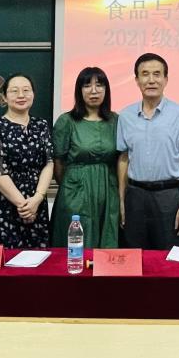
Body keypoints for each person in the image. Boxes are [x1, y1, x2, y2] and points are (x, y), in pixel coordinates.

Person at [116, 53, 179, 250]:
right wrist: (122, 200)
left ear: (166, 79)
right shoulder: (125, 116)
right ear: (137, 80)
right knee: (135, 254)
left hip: (170, 196)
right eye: (145, 74)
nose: (151, 80)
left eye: (157, 74)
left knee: (171, 256)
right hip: (135, 196)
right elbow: (123, 159)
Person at [0, 74, 53, 249]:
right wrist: (23, 206)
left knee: (38, 259)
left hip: (36, 203)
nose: (21, 95)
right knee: (6, 259)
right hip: (5, 204)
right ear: (4, 97)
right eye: (14, 91)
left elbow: (49, 163)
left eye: (26, 90)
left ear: (33, 95)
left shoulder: (41, 125)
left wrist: (37, 199)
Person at [51, 67, 119, 249]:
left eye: (99, 85)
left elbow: (121, 159)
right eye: (87, 85)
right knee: (77, 244)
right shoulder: (67, 121)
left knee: (108, 244)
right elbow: (58, 163)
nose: (94, 91)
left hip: (108, 191)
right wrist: (73, 186)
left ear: (106, 90)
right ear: (79, 90)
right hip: (75, 192)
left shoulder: (115, 120)